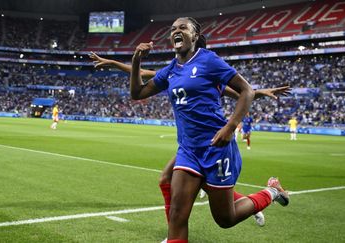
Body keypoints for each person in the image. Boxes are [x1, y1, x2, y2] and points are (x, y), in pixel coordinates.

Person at [130, 17, 289, 242]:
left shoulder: (208, 60)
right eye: (173, 29)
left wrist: (230, 127)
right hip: (188, 151)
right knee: (176, 216)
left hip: (216, 147)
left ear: (195, 36)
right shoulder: (170, 71)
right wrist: (136, 60)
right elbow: (137, 93)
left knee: (225, 219)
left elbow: (246, 91)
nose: (177, 30)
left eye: (183, 27)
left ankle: (272, 192)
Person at [89, 52, 290, 228]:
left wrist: (260, 93)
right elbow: (144, 74)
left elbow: (240, 93)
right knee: (171, 180)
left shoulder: (207, 74)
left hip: (209, 143)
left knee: (180, 185)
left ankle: (259, 198)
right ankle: (177, 232)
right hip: (189, 146)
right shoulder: (176, 71)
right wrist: (114, 63)